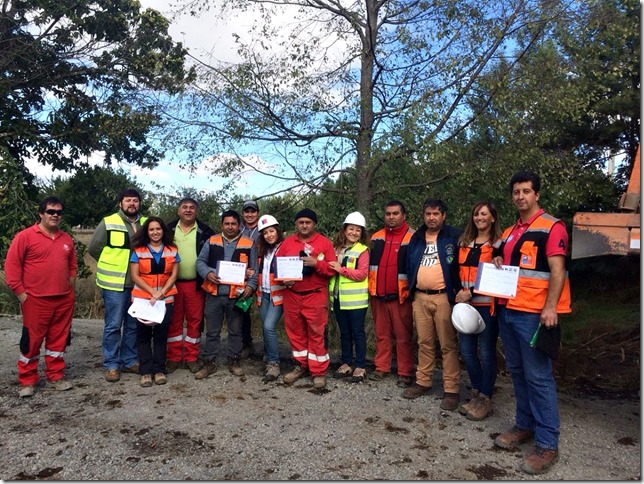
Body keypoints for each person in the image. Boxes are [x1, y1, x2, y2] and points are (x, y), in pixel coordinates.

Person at [492, 170, 571, 475]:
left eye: (526, 191)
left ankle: (548, 444)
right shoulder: (512, 231)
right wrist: (500, 261)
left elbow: (558, 271)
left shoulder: (552, 227)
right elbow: (514, 265)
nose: (521, 196)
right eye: (516, 192)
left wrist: (550, 308)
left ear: (536, 194)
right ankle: (524, 426)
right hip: (510, 311)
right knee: (517, 373)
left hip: (535, 315)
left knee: (538, 377)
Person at [5, 196, 77, 398]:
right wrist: (21, 294)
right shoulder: (25, 237)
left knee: (59, 340)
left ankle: (56, 376)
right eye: (51, 212)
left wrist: (70, 287)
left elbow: (72, 265)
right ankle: (27, 380)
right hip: (35, 300)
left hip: (63, 299)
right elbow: (12, 267)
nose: (55, 215)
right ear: (41, 214)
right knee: (32, 341)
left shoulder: (66, 239)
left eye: (59, 212)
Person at [405, 198, 463, 411]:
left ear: (443, 215)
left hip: (443, 297)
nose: (431, 218)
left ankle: (451, 389)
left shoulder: (453, 236)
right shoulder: (417, 238)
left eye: (435, 214)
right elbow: (410, 264)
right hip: (420, 297)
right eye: (428, 214)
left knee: (448, 344)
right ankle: (423, 381)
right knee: (424, 342)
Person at [88, 188, 147, 382]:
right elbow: (94, 248)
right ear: (120, 203)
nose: (132, 204)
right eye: (128, 200)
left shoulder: (147, 223)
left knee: (132, 325)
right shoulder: (109, 221)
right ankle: (112, 364)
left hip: (139, 283)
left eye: (135, 201)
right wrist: (110, 263)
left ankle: (129, 360)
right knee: (113, 325)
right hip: (115, 283)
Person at [276, 208, 337, 389]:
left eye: (308, 222)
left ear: (314, 224)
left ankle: (318, 371)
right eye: (301, 222)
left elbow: (333, 269)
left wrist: (316, 263)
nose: (304, 225)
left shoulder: (324, 243)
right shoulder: (287, 243)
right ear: (296, 224)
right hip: (292, 295)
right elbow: (277, 268)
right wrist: (282, 280)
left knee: (316, 334)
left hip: (315, 295)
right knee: (296, 334)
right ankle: (301, 365)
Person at [453, 201, 502, 420]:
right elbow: (455, 270)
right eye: (476, 214)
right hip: (465, 304)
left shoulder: (499, 244)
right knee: (467, 351)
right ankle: (476, 390)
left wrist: (471, 292)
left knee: (487, 352)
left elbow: (499, 276)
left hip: (486, 305)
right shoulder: (465, 242)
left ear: (492, 217)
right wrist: (458, 293)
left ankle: (485, 397)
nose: (479, 217)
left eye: (484, 214)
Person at [195, 210, 258, 379]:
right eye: (227, 224)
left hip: (236, 296)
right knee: (212, 331)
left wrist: (250, 288)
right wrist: (208, 273)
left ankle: (234, 360)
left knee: (235, 331)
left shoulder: (248, 243)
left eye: (233, 224)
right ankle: (210, 362)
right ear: (222, 224)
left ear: (239, 225)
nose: (230, 227)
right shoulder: (212, 240)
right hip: (214, 295)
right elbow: (200, 262)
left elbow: (255, 270)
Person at [367, 200, 415, 388]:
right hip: (378, 294)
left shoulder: (414, 237)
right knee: (382, 334)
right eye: (388, 214)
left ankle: (405, 371)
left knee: (403, 336)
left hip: (401, 296)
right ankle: (382, 367)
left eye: (395, 213)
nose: (391, 217)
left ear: (404, 215)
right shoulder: (376, 237)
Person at [165, 198, 215, 374]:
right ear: (178, 211)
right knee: (174, 321)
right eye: (184, 207)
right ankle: (173, 357)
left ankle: (192, 357)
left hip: (196, 284)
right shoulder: (168, 229)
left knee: (195, 321)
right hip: (172, 284)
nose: (188, 210)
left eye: (192, 208)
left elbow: (215, 256)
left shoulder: (206, 231)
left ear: (197, 211)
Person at [130, 217, 180, 387]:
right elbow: (135, 275)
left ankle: (159, 370)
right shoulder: (139, 250)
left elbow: (174, 275)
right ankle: (145, 372)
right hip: (144, 299)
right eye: (151, 229)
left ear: (163, 230)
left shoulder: (172, 250)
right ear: (147, 232)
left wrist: (162, 293)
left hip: (165, 299)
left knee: (161, 335)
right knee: (143, 335)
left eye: (158, 229)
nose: (155, 232)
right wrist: (152, 292)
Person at [329, 211, 370, 383]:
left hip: (356, 301)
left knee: (357, 333)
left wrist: (341, 269)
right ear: (344, 230)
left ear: (362, 233)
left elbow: (361, 274)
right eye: (351, 229)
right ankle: (346, 362)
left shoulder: (363, 251)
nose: (354, 233)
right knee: (344, 333)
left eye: (358, 230)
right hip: (338, 299)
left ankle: (360, 365)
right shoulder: (335, 249)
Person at [255, 214, 286, 382]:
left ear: (277, 230)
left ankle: (274, 363)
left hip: (278, 295)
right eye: (265, 233)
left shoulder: (285, 247)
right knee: (265, 326)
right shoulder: (262, 250)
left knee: (269, 327)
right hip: (263, 294)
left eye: (271, 231)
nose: (269, 235)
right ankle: (268, 354)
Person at [240, 199, 261, 358]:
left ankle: (269, 348)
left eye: (253, 211)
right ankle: (246, 343)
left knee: (264, 310)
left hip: (261, 275)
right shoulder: (237, 229)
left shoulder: (264, 229)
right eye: (247, 211)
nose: (250, 214)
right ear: (243, 214)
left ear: (257, 213)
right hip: (241, 275)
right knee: (243, 310)